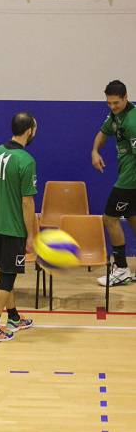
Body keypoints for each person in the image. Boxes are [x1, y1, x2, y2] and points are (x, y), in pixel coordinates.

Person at [0, 112, 37, 343]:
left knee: (7, 273)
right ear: (29, 131)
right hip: (15, 229)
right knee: (7, 277)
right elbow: (27, 202)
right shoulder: (26, 161)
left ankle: (13, 317)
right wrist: (31, 235)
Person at [91, 80, 136, 286]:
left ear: (126, 98)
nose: (112, 107)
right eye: (109, 103)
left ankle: (121, 269)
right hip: (127, 177)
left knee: (109, 218)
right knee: (133, 218)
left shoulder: (133, 122)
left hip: (130, 180)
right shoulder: (115, 115)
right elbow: (103, 131)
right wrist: (95, 151)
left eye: (116, 103)